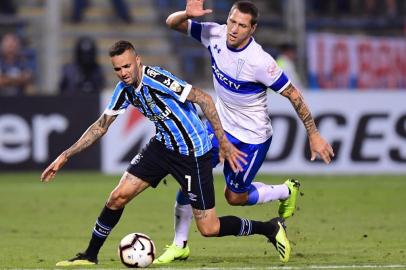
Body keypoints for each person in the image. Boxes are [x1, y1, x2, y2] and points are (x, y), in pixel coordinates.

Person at [40, 40, 291, 266]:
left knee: (209, 227)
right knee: (117, 197)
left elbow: (203, 99)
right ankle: (89, 255)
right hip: (162, 147)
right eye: (118, 69)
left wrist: (223, 142)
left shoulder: (158, 80)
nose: (124, 73)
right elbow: (100, 126)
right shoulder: (124, 89)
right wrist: (65, 155)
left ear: (138, 61)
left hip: (193, 153)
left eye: (127, 66)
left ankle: (268, 228)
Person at [154, 0, 334, 264]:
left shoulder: (260, 62)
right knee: (188, 177)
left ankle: (285, 190)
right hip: (219, 128)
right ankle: (179, 244)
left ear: (253, 29)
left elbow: (293, 95)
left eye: (242, 25)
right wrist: (186, 13)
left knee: (234, 196)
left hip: (251, 138)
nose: (234, 29)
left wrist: (314, 134)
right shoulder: (214, 34)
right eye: (232, 21)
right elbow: (172, 24)